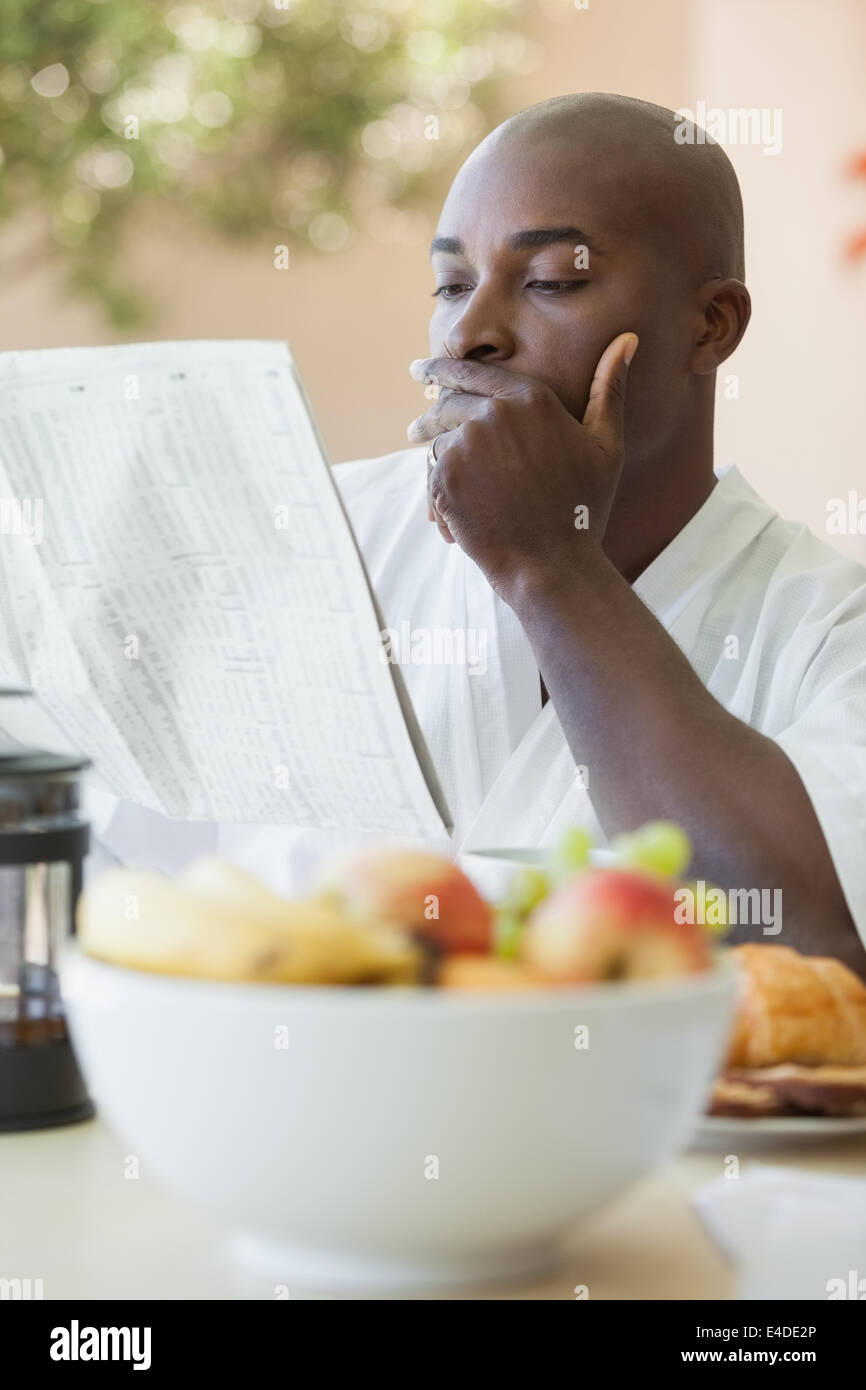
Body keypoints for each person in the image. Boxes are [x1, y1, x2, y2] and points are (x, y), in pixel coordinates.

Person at [90, 93, 866, 972]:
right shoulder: (310, 542)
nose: (470, 332)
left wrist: (552, 566)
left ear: (710, 325)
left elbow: (820, 943)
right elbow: (118, 877)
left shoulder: (832, 633)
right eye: (453, 285)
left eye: (552, 283)